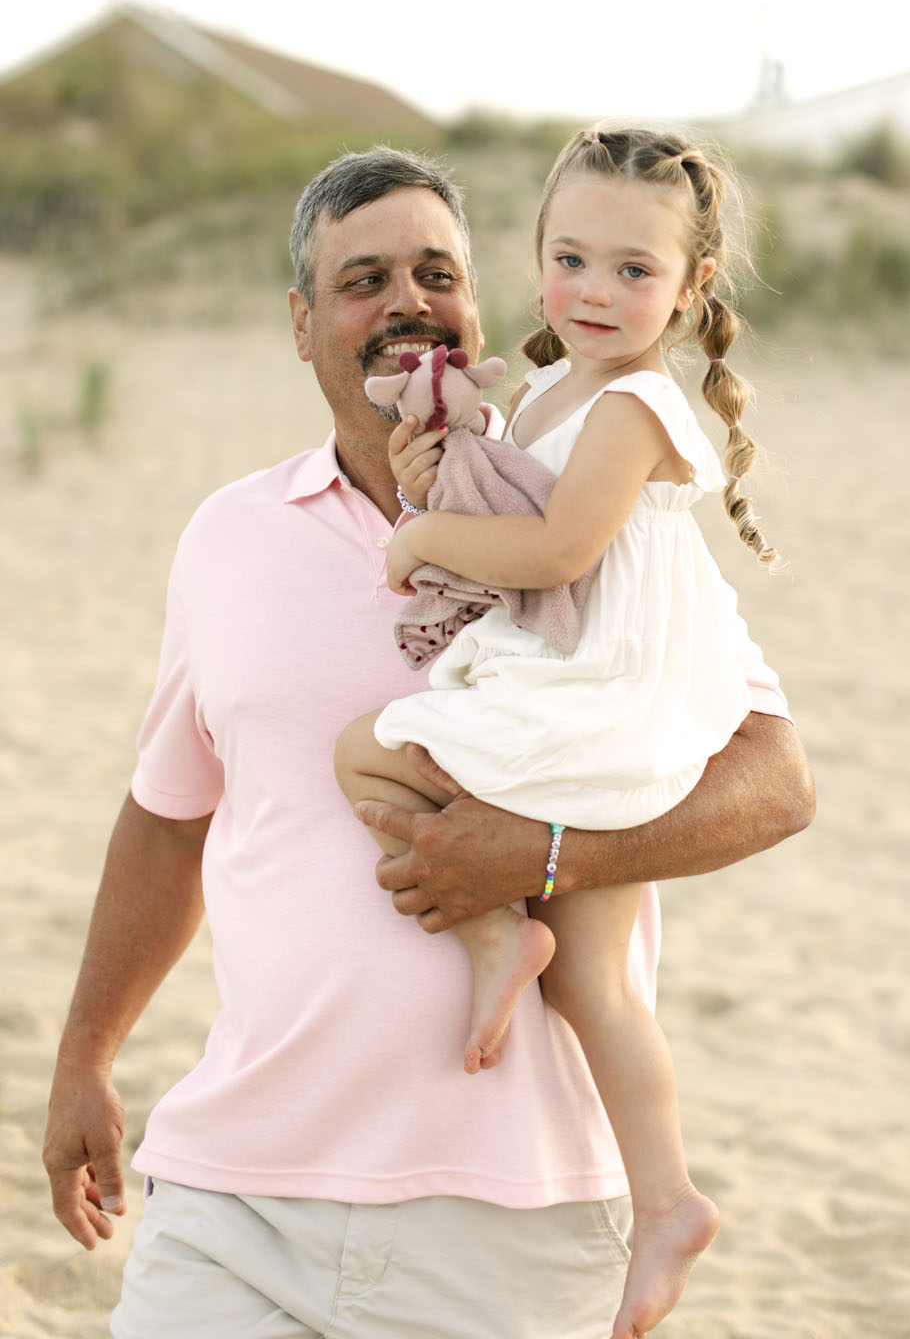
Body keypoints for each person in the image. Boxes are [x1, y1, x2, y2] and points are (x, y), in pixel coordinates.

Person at [42, 144, 815, 1339]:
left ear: (476, 297)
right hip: (238, 1191)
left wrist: (540, 857)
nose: (405, 301)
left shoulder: (578, 490)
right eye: (362, 280)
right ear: (303, 324)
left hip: (514, 1218)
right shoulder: (228, 537)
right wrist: (87, 1051)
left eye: (433, 271)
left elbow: (774, 786)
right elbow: (168, 812)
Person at [334, 127, 777, 1339]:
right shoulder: (538, 393)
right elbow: (504, 507)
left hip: (595, 687)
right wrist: (433, 482)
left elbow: (557, 552)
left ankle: (488, 937)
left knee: (365, 751)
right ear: (535, 259)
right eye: (571, 258)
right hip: (561, 671)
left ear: (689, 290)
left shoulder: (634, 404)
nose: (594, 290)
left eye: (634, 271)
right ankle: (667, 1198)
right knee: (592, 978)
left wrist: (418, 541)